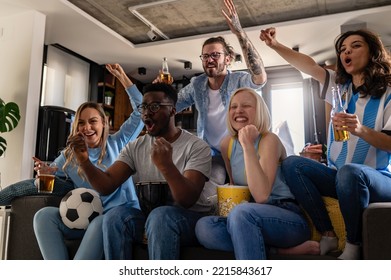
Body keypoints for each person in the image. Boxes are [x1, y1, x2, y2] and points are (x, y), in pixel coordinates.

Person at [107, 0, 267, 214]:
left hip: (241, 148)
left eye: (215, 55)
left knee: (255, 192)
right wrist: (158, 94)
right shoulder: (197, 85)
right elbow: (165, 106)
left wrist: (239, 32)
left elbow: (260, 79)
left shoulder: (238, 80)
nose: (209, 59)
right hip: (213, 154)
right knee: (204, 195)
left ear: (228, 59)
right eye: (205, 56)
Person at [260, 27, 391, 259]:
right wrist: (275, 45)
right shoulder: (338, 88)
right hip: (339, 177)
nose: (346, 51)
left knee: (350, 173)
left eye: (355, 45)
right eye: (342, 49)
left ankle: (353, 244)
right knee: (292, 164)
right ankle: (328, 234)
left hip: (376, 178)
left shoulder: (389, 94)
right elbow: (309, 66)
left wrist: (360, 129)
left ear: (373, 53)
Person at [67, 83, 211, 260]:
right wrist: (84, 161)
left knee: (160, 216)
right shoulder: (136, 147)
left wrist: (166, 166)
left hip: (190, 220)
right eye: (143, 107)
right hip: (151, 219)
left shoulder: (197, 146)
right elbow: (106, 185)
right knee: (115, 217)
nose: (146, 113)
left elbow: (187, 200)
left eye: (154, 107)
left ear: (173, 111)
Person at [32, 69, 145, 259]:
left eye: (93, 121)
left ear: (104, 123)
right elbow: (50, 173)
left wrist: (123, 78)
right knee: (43, 216)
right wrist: (45, 171)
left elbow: (142, 110)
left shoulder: (119, 142)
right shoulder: (70, 155)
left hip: (116, 218)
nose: (87, 128)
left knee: (102, 222)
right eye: (82, 123)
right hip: (85, 218)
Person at [195, 87, 317, 260]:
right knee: (204, 227)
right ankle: (277, 252)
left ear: (259, 111)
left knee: (242, 214)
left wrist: (247, 145)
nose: (238, 111)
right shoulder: (226, 145)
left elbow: (261, 196)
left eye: (246, 106)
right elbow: (235, 188)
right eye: (233, 107)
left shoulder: (269, 140)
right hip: (246, 219)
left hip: (287, 218)